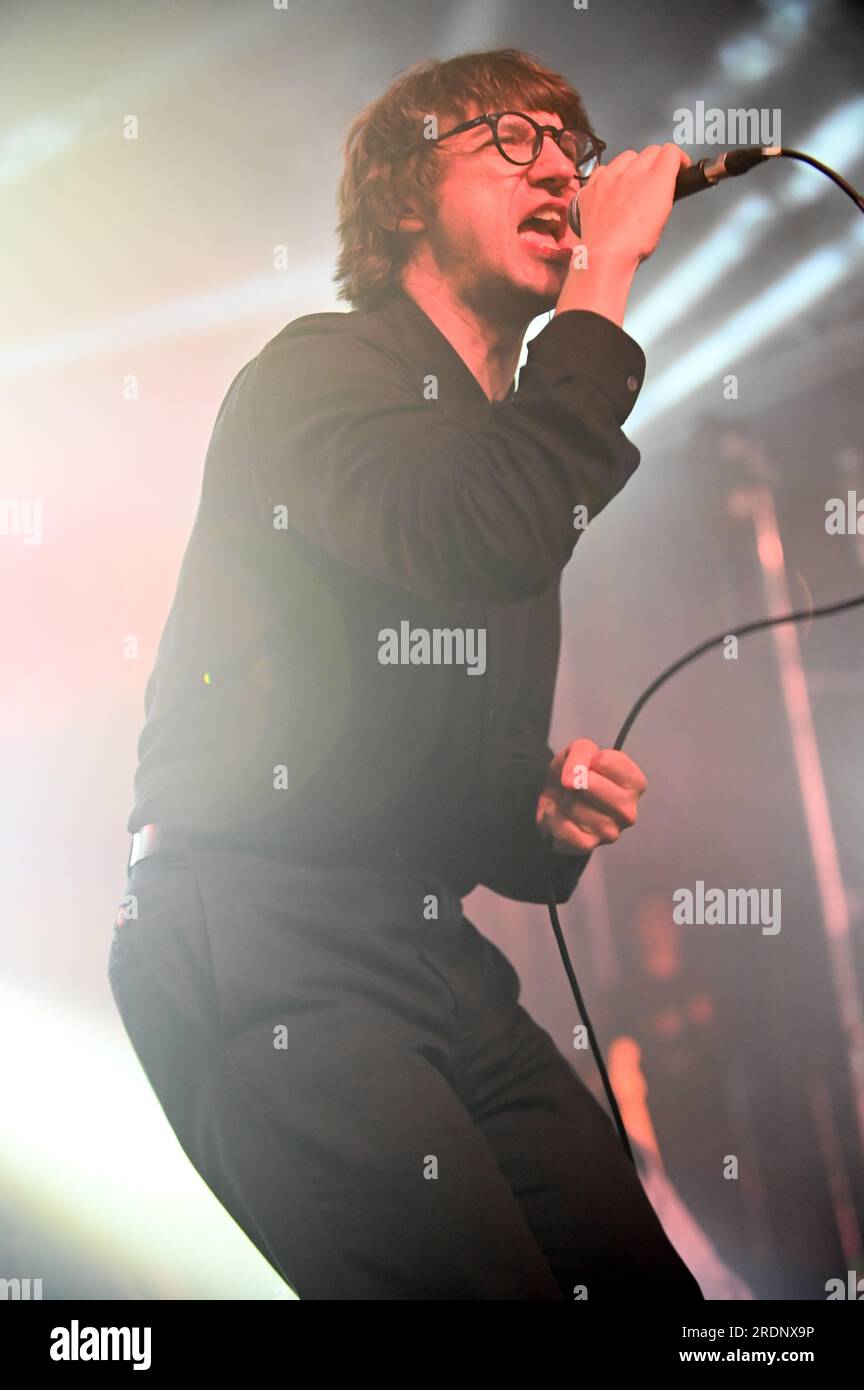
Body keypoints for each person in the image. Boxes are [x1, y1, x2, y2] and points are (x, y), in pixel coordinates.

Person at [108, 46, 703, 1301]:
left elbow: (459, 770)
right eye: (511, 140)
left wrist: (534, 806)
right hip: (263, 929)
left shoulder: (502, 455)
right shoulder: (319, 375)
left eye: (573, 147)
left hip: (426, 946)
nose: (559, 166)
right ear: (398, 198)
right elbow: (478, 528)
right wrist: (604, 277)